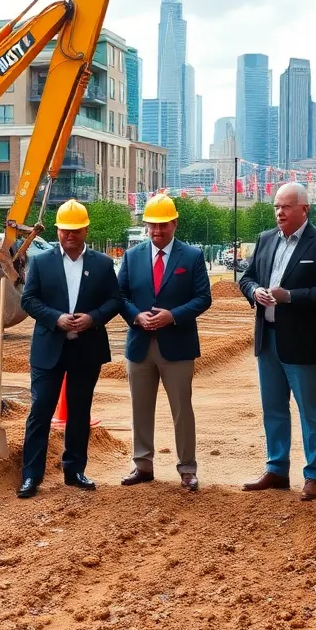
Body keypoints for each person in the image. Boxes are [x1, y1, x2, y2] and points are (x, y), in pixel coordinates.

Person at [238, 183, 316, 501]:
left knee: (309, 409)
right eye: (276, 207)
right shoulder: (266, 239)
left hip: (302, 342)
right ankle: (277, 469)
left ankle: (314, 476)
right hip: (267, 340)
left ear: (304, 210)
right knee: (273, 408)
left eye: (285, 206)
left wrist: (290, 297)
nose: (279, 212)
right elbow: (246, 276)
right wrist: (254, 290)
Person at [16, 199, 121, 499]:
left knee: (79, 412)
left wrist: (93, 318)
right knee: (40, 410)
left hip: (86, 350)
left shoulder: (101, 264)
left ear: (86, 229)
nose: (70, 236)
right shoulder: (42, 262)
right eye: (64, 230)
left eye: (75, 230)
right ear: (58, 230)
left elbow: (115, 300)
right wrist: (55, 318)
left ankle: (74, 470)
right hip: (49, 349)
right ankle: (31, 476)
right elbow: (29, 300)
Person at [116, 194, 212, 491]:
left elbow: (203, 298)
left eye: (163, 226)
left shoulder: (192, 256)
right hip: (140, 345)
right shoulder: (132, 257)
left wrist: (173, 316)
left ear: (174, 224)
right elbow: (119, 297)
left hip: (177, 345)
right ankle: (142, 464)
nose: (157, 232)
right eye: (152, 226)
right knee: (140, 407)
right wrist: (136, 317)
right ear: (146, 226)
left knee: (182, 408)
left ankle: (187, 468)